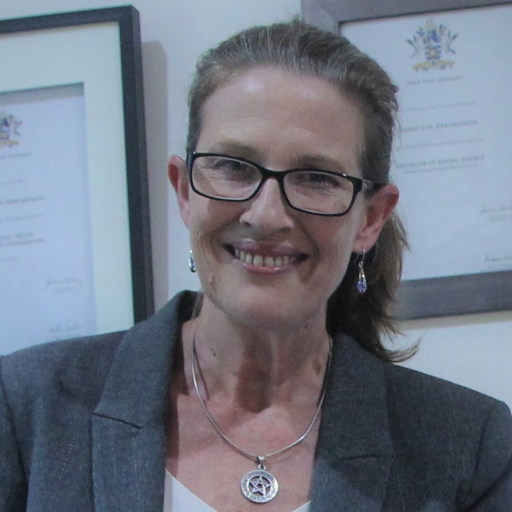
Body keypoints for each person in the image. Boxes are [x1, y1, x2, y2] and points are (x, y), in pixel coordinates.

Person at [1, 20, 511, 512]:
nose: (266, 215)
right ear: (184, 190)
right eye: (232, 166)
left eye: (316, 177)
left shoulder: (468, 447)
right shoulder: (29, 407)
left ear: (371, 218)